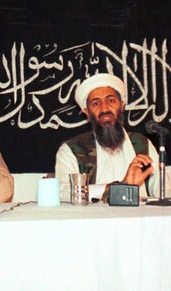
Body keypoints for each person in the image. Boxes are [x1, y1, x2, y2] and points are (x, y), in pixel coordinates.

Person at [55, 73, 165, 202]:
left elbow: (165, 192)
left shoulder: (142, 144)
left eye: (111, 101)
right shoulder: (72, 149)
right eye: (96, 103)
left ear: (122, 105)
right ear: (87, 112)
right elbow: (62, 192)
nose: (104, 109)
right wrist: (115, 188)